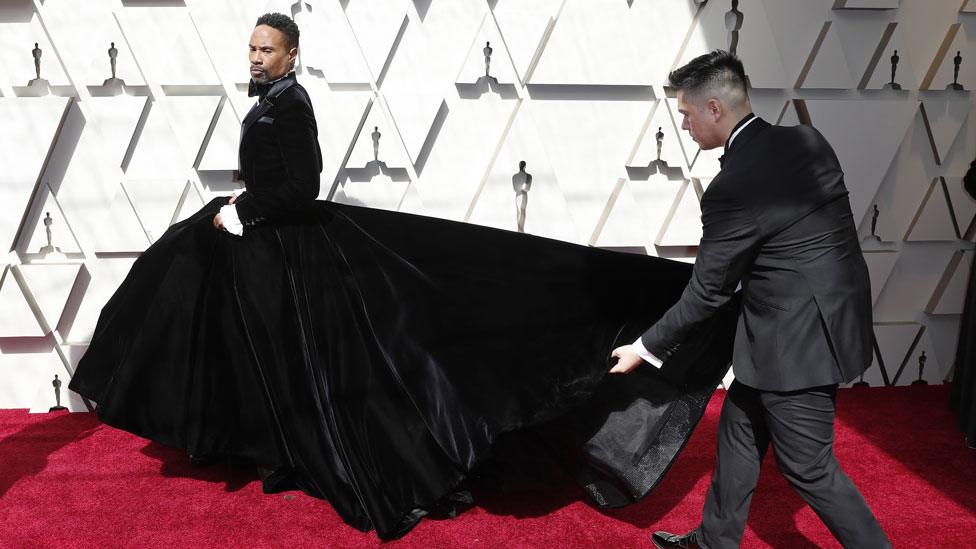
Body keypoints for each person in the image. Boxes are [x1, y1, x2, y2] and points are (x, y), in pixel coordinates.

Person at [69, 13, 739, 539]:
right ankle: (265, 447)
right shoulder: (273, 102)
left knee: (307, 357)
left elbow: (301, 185)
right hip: (272, 252)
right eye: (251, 49)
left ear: (291, 56)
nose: (255, 58)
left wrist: (241, 209)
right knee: (260, 349)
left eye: (266, 50)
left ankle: (293, 452)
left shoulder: (290, 106)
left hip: (287, 252)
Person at [609, 51, 890, 548]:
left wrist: (643, 348)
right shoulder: (807, 140)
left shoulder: (731, 187)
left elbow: (708, 291)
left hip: (796, 343)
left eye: (686, 114)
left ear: (714, 108)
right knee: (739, 431)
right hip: (816, 322)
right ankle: (715, 541)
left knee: (810, 467)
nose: (685, 125)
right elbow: (805, 240)